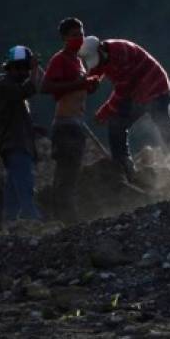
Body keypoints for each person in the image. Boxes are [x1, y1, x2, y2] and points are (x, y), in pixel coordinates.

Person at [78, 36, 170, 180]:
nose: (98, 62)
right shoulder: (102, 56)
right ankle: (123, 166)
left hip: (155, 87)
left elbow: (123, 90)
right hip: (137, 94)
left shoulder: (121, 53)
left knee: (162, 121)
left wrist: (104, 112)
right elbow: (95, 73)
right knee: (116, 124)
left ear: (101, 49)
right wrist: (84, 85)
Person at [41, 18, 99, 224]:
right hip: (65, 123)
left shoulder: (78, 61)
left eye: (81, 34)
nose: (79, 38)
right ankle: (65, 220)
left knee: (71, 174)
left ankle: (64, 218)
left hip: (76, 122)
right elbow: (46, 86)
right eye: (74, 35)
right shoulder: (60, 59)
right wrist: (79, 83)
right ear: (64, 38)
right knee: (66, 174)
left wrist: (89, 86)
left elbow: (74, 87)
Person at [0, 45, 45, 225]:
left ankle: (10, 221)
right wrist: (36, 70)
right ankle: (31, 218)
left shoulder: (12, 87)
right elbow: (29, 89)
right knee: (24, 183)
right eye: (22, 68)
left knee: (13, 187)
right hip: (15, 144)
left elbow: (17, 118)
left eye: (26, 68)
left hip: (17, 143)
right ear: (12, 67)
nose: (25, 72)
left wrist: (34, 128)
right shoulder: (4, 86)